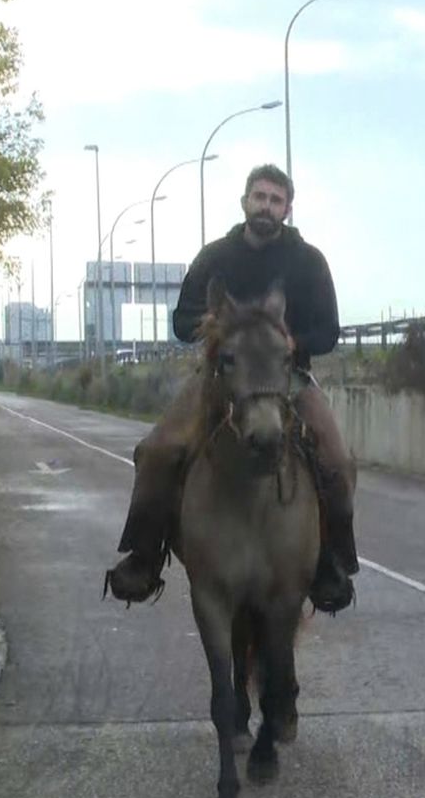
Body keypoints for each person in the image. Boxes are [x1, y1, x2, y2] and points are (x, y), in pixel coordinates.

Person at [104, 163, 358, 614]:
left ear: (288, 208)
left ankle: (331, 563)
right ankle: (144, 555)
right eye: (259, 197)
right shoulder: (215, 256)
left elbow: (330, 332)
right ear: (245, 202)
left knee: (337, 461)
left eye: (276, 200)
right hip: (220, 377)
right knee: (157, 450)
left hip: (287, 377)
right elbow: (182, 322)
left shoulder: (308, 261)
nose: (266, 206)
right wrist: (214, 328)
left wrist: (292, 342)